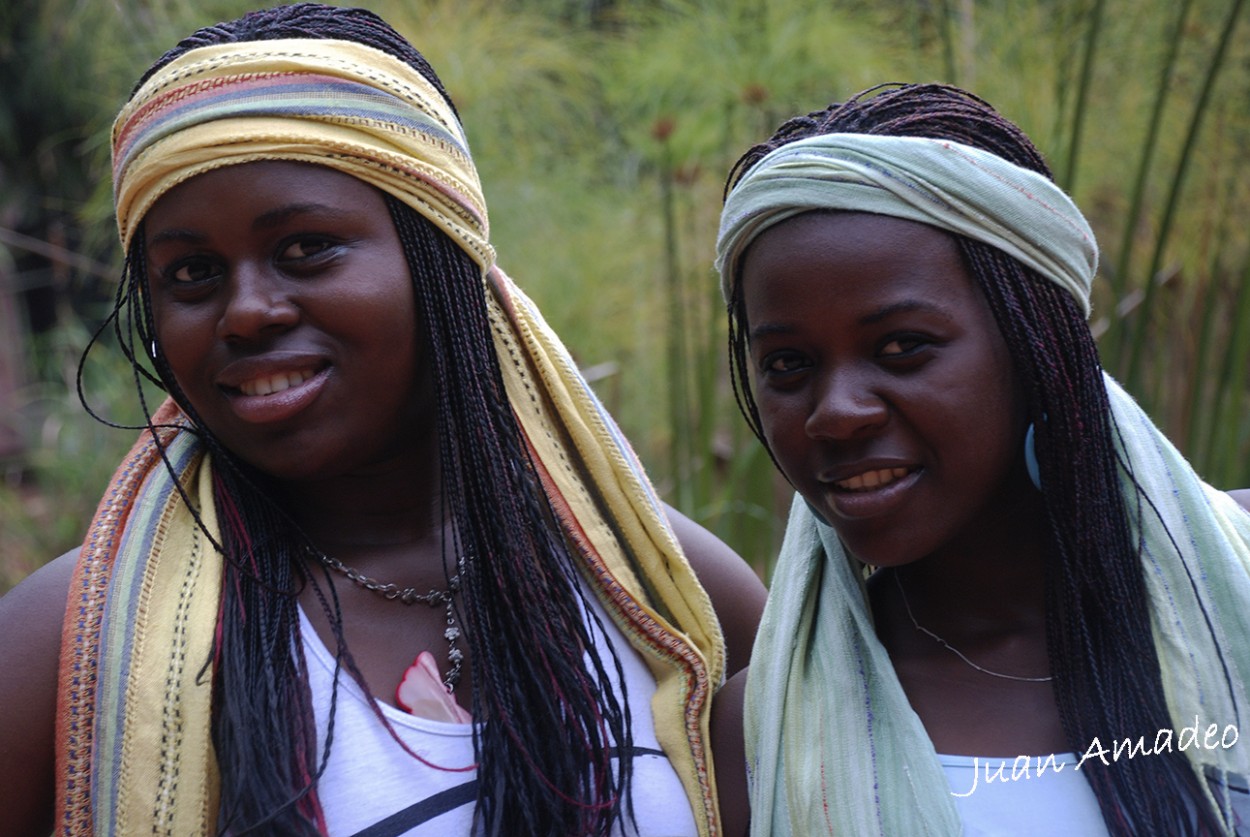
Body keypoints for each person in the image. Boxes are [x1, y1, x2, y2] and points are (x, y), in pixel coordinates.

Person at [0, 5, 767, 835]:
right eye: (191, 272)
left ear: (439, 252)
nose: (246, 311)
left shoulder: (668, 595)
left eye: (305, 249)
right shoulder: (65, 647)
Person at [714, 83, 1250, 836]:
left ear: (1037, 343)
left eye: (902, 347)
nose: (836, 411)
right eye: (789, 365)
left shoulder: (1238, 575)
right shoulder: (757, 737)